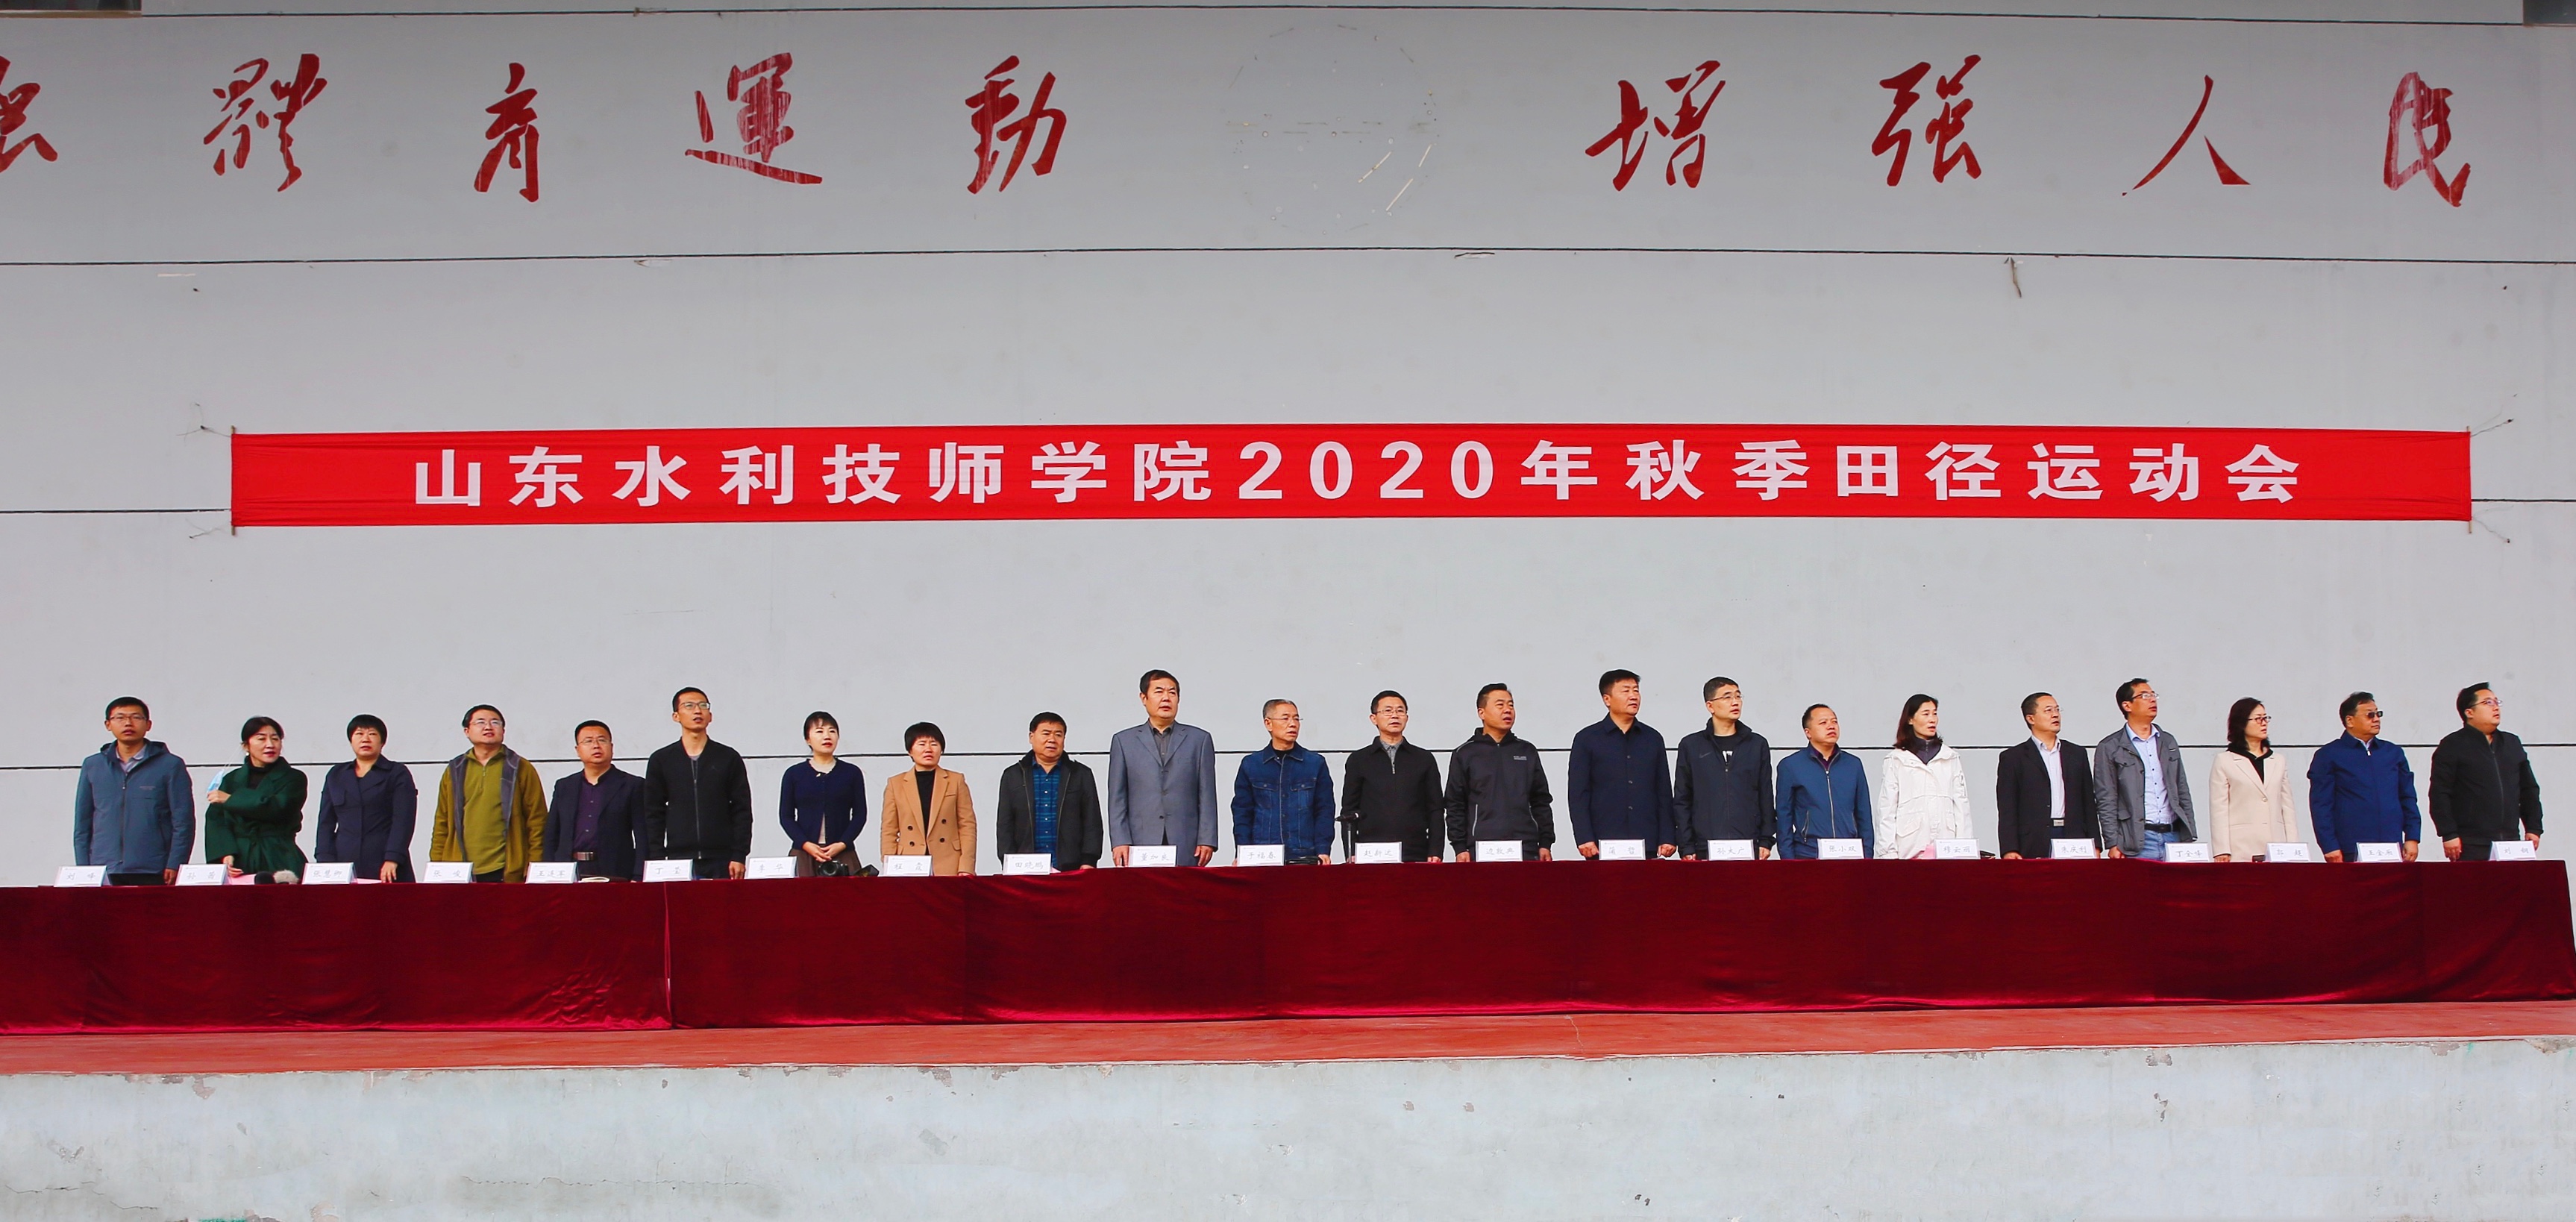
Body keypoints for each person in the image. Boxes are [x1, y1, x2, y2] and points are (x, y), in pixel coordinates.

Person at [72, 697, 194, 886]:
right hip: (103, 867)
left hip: (154, 868)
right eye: (120, 718)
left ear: (148, 725)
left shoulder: (170, 765)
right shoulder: (93, 765)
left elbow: (183, 821)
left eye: (136, 717)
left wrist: (175, 863)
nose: (128, 723)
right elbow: (83, 822)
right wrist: (84, 867)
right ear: (108, 725)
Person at [1106, 670, 1219, 867]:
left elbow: (1207, 794)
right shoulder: (1123, 741)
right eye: (1159, 691)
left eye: (1172, 692)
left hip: (1186, 841)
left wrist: (1207, 839)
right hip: (1140, 839)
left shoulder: (1199, 740)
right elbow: (1117, 798)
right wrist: (1120, 840)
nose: (1166, 698)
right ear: (1144, 698)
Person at [642, 687, 754, 880]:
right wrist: (658, 857)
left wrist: (739, 855)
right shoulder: (662, 759)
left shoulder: (728, 757)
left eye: (703, 706)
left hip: (722, 858)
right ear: (676, 716)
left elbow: (742, 809)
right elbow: (654, 812)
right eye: (689, 706)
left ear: (710, 716)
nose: (697, 711)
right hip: (677, 858)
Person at [430, 704, 548, 883]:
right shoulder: (455, 770)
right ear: (467, 731)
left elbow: (537, 820)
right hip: (459, 870)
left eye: (495, 722)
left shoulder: (520, 767)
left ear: (503, 731)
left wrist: (535, 865)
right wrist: (437, 865)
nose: (488, 727)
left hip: (507, 869)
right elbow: (442, 821)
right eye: (480, 722)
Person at [1567, 670, 1676, 859]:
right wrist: (1584, 837)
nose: (1633, 696)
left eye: (1636, 690)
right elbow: (1578, 794)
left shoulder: (1653, 739)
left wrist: (1667, 836)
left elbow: (1664, 792)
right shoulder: (1587, 739)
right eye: (1626, 691)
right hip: (1602, 841)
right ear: (1607, 699)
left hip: (1647, 839)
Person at [2431, 683, 2545, 861]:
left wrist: (2533, 828)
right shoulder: (2453, 745)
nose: (2496, 707)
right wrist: (2449, 833)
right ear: (2469, 712)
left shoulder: (2511, 743)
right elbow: (2440, 793)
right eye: (2488, 703)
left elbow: (2528, 789)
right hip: (2470, 843)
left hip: (2510, 841)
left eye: (2497, 702)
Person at [1444, 683, 1556, 861]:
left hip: (1525, 846)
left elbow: (1540, 800)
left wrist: (1545, 842)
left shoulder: (1527, 751)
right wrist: (1460, 847)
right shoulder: (1465, 753)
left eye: (1511, 705)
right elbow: (1455, 804)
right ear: (1482, 713)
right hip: (1481, 847)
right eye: (1500, 705)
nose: (1507, 710)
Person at [2307, 692, 2421, 862]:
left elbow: (2408, 797)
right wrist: (2329, 845)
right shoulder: (2329, 755)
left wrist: (2412, 837)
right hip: (2350, 847)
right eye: (2370, 715)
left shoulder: (2393, 753)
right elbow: (2321, 805)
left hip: (2391, 845)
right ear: (2350, 721)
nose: (2376, 719)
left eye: (2378, 714)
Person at [2092, 679, 2198, 860]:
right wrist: (2113, 842)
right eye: (2144, 696)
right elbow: (2106, 798)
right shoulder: (2110, 747)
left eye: (2153, 695)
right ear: (2127, 706)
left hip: (2174, 836)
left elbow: (2182, 790)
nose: (2152, 700)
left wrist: (2190, 834)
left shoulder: (2168, 741)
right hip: (2137, 840)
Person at [1673, 677, 1775, 859]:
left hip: (1748, 845)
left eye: (1738, 696)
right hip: (1705, 846)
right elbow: (1683, 799)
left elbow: (1766, 795)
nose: (1735, 702)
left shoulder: (1756, 744)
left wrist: (1766, 840)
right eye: (1727, 697)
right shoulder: (1692, 746)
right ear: (1710, 706)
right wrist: (1687, 846)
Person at [1339, 690, 1445, 862]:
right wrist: (1351, 851)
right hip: (1371, 852)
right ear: (1374, 718)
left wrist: (1436, 851)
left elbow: (1435, 809)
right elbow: (1349, 812)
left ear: (1407, 718)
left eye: (1400, 711)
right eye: (1388, 711)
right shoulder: (1359, 760)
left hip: (1415, 851)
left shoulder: (1424, 759)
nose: (1395, 715)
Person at [204, 716, 309, 883]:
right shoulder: (231, 779)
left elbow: (279, 808)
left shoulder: (293, 778)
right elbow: (216, 819)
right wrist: (225, 853)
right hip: (240, 858)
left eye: (275, 739)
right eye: (261, 739)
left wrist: (232, 799)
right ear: (246, 746)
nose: (270, 744)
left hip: (279, 854)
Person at [314, 714, 417, 883]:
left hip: (384, 860)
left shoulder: (397, 773)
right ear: (351, 740)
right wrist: (325, 860)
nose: (365, 739)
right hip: (344, 860)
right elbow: (325, 822)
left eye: (372, 734)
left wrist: (393, 858)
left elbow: (403, 820)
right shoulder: (336, 774)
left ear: (382, 742)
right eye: (359, 734)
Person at [1232, 700, 1336, 865]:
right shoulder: (1252, 764)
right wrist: (1243, 851)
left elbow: (1324, 811)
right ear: (1268, 723)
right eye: (1285, 718)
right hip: (1263, 855)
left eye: (1296, 719)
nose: (1292, 724)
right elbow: (1242, 813)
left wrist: (1323, 849)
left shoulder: (1315, 763)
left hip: (1305, 854)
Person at [1994, 693, 2097, 859]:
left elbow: (2089, 803)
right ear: (2031, 718)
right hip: (2033, 839)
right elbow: (2007, 808)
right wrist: (2009, 849)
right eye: (2048, 710)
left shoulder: (2076, 754)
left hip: (2074, 836)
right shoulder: (2013, 758)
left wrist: (2095, 844)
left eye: (2057, 710)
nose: (2055, 715)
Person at [997, 712, 1104, 871]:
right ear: (1031, 737)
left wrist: (1089, 861)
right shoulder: (1013, 775)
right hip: (1025, 867)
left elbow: (1092, 822)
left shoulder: (1081, 774)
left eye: (1058, 735)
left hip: (1072, 868)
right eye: (1046, 733)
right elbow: (1005, 825)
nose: (1052, 740)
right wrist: (1008, 862)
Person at [545, 721, 644, 880]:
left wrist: (638, 875)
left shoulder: (633, 785)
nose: (596, 746)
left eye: (602, 740)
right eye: (588, 741)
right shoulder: (565, 786)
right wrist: (549, 871)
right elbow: (552, 834)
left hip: (615, 870)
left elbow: (643, 836)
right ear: (578, 750)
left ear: (612, 747)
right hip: (569, 870)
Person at [1776, 705, 1873, 859]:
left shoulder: (1853, 764)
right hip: (1808, 853)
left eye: (1834, 722)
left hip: (1849, 853)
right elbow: (1784, 817)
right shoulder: (1791, 766)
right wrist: (1788, 859)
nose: (1831, 726)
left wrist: (1867, 856)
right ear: (1808, 732)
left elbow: (1864, 814)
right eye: (1823, 723)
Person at [1878, 695, 1969, 859]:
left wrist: (1964, 849)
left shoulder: (1950, 757)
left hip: (1946, 846)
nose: (1932, 719)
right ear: (1910, 719)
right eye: (1926, 714)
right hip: (1909, 847)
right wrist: (1888, 853)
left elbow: (1962, 807)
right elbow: (1887, 809)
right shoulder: (1896, 759)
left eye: (1935, 713)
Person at [881, 722, 978, 874]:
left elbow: (967, 826)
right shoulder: (896, 784)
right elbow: (889, 830)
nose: (928, 749)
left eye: (934, 744)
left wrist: (966, 867)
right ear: (910, 751)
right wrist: (889, 865)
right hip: (908, 862)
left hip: (949, 861)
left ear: (941, 749)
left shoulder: (956, 780)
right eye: (921, 744)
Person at [778, 712, 867, 877]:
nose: (827, 736)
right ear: (808, 739)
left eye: (832, 731)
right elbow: (786, 817)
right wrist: (806, 844)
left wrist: (842, 844)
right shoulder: (794, 774)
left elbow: (860, 815)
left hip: (843, 852)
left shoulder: (852, 773)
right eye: (819, 731)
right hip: (804, 853)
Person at [2207, 698, 2296, 862]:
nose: (2264, 723)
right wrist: (2221, 850)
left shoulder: (2278, 760)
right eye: (2258, 719)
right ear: (2241, 723)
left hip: (2276, 846)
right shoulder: (2225, 761)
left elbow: (2287, 807)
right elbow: (2219, 809)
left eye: (2265, 718)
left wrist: (2294, 847)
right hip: (2241, 846)